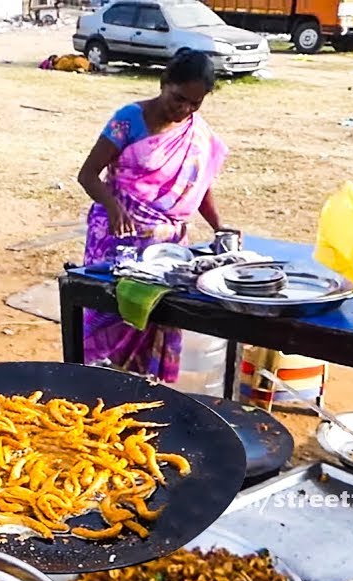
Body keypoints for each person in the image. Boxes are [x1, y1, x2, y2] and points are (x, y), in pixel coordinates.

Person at [76, 48, 235, 382]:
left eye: (195, 103)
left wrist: (219, 227)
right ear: (164, 83)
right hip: (118, 243)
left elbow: (197, 186)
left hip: (168, 252)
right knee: (112, 315)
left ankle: (147, 395)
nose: (185, 109)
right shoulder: (128, 120)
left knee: (158, 319)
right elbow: (88, 174)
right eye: (179, 99)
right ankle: (98, 387)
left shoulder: (197, 132)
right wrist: (113, 206)